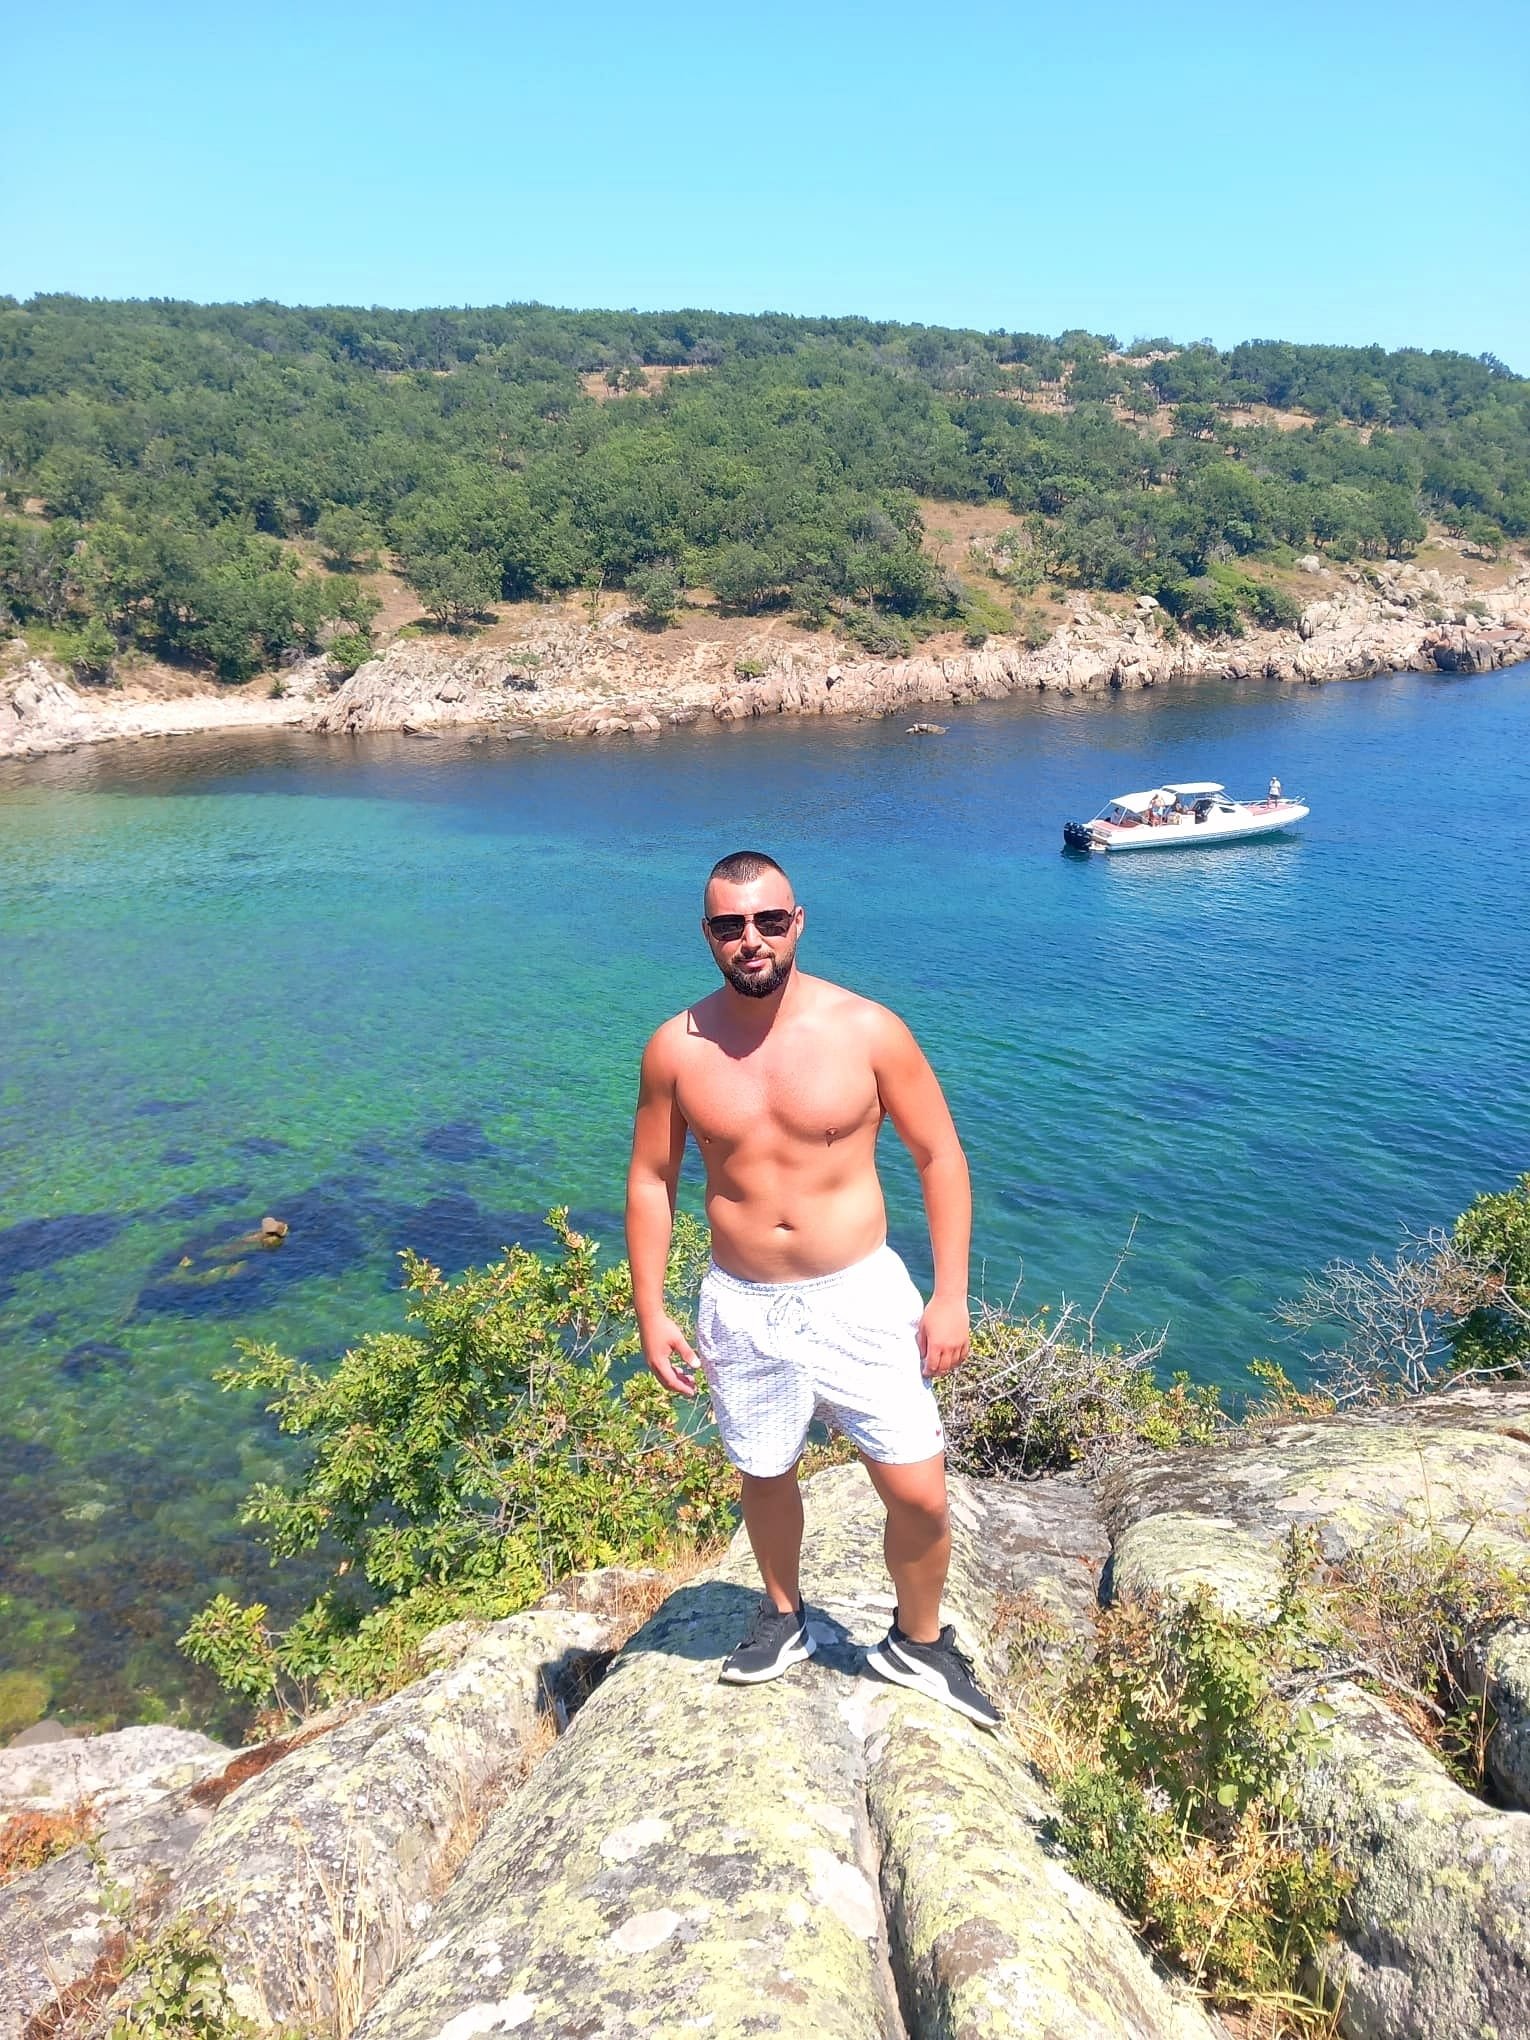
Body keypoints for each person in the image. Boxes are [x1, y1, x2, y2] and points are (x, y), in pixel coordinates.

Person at [625, 849, 1001, 1728]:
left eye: (768, 920)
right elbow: (652, 1178)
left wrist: (951, 1295)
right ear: (709, 936)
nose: (750, 940)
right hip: (743, 1303)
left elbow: (940, 1155)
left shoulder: (868, 1030)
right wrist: (651, 1307)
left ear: (798, 922)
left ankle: (918, 1641)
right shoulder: (675, 1049)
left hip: (860, 1295)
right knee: (765, 1470)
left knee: (919, 1490)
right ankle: (783, 1612)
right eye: (729, 925)